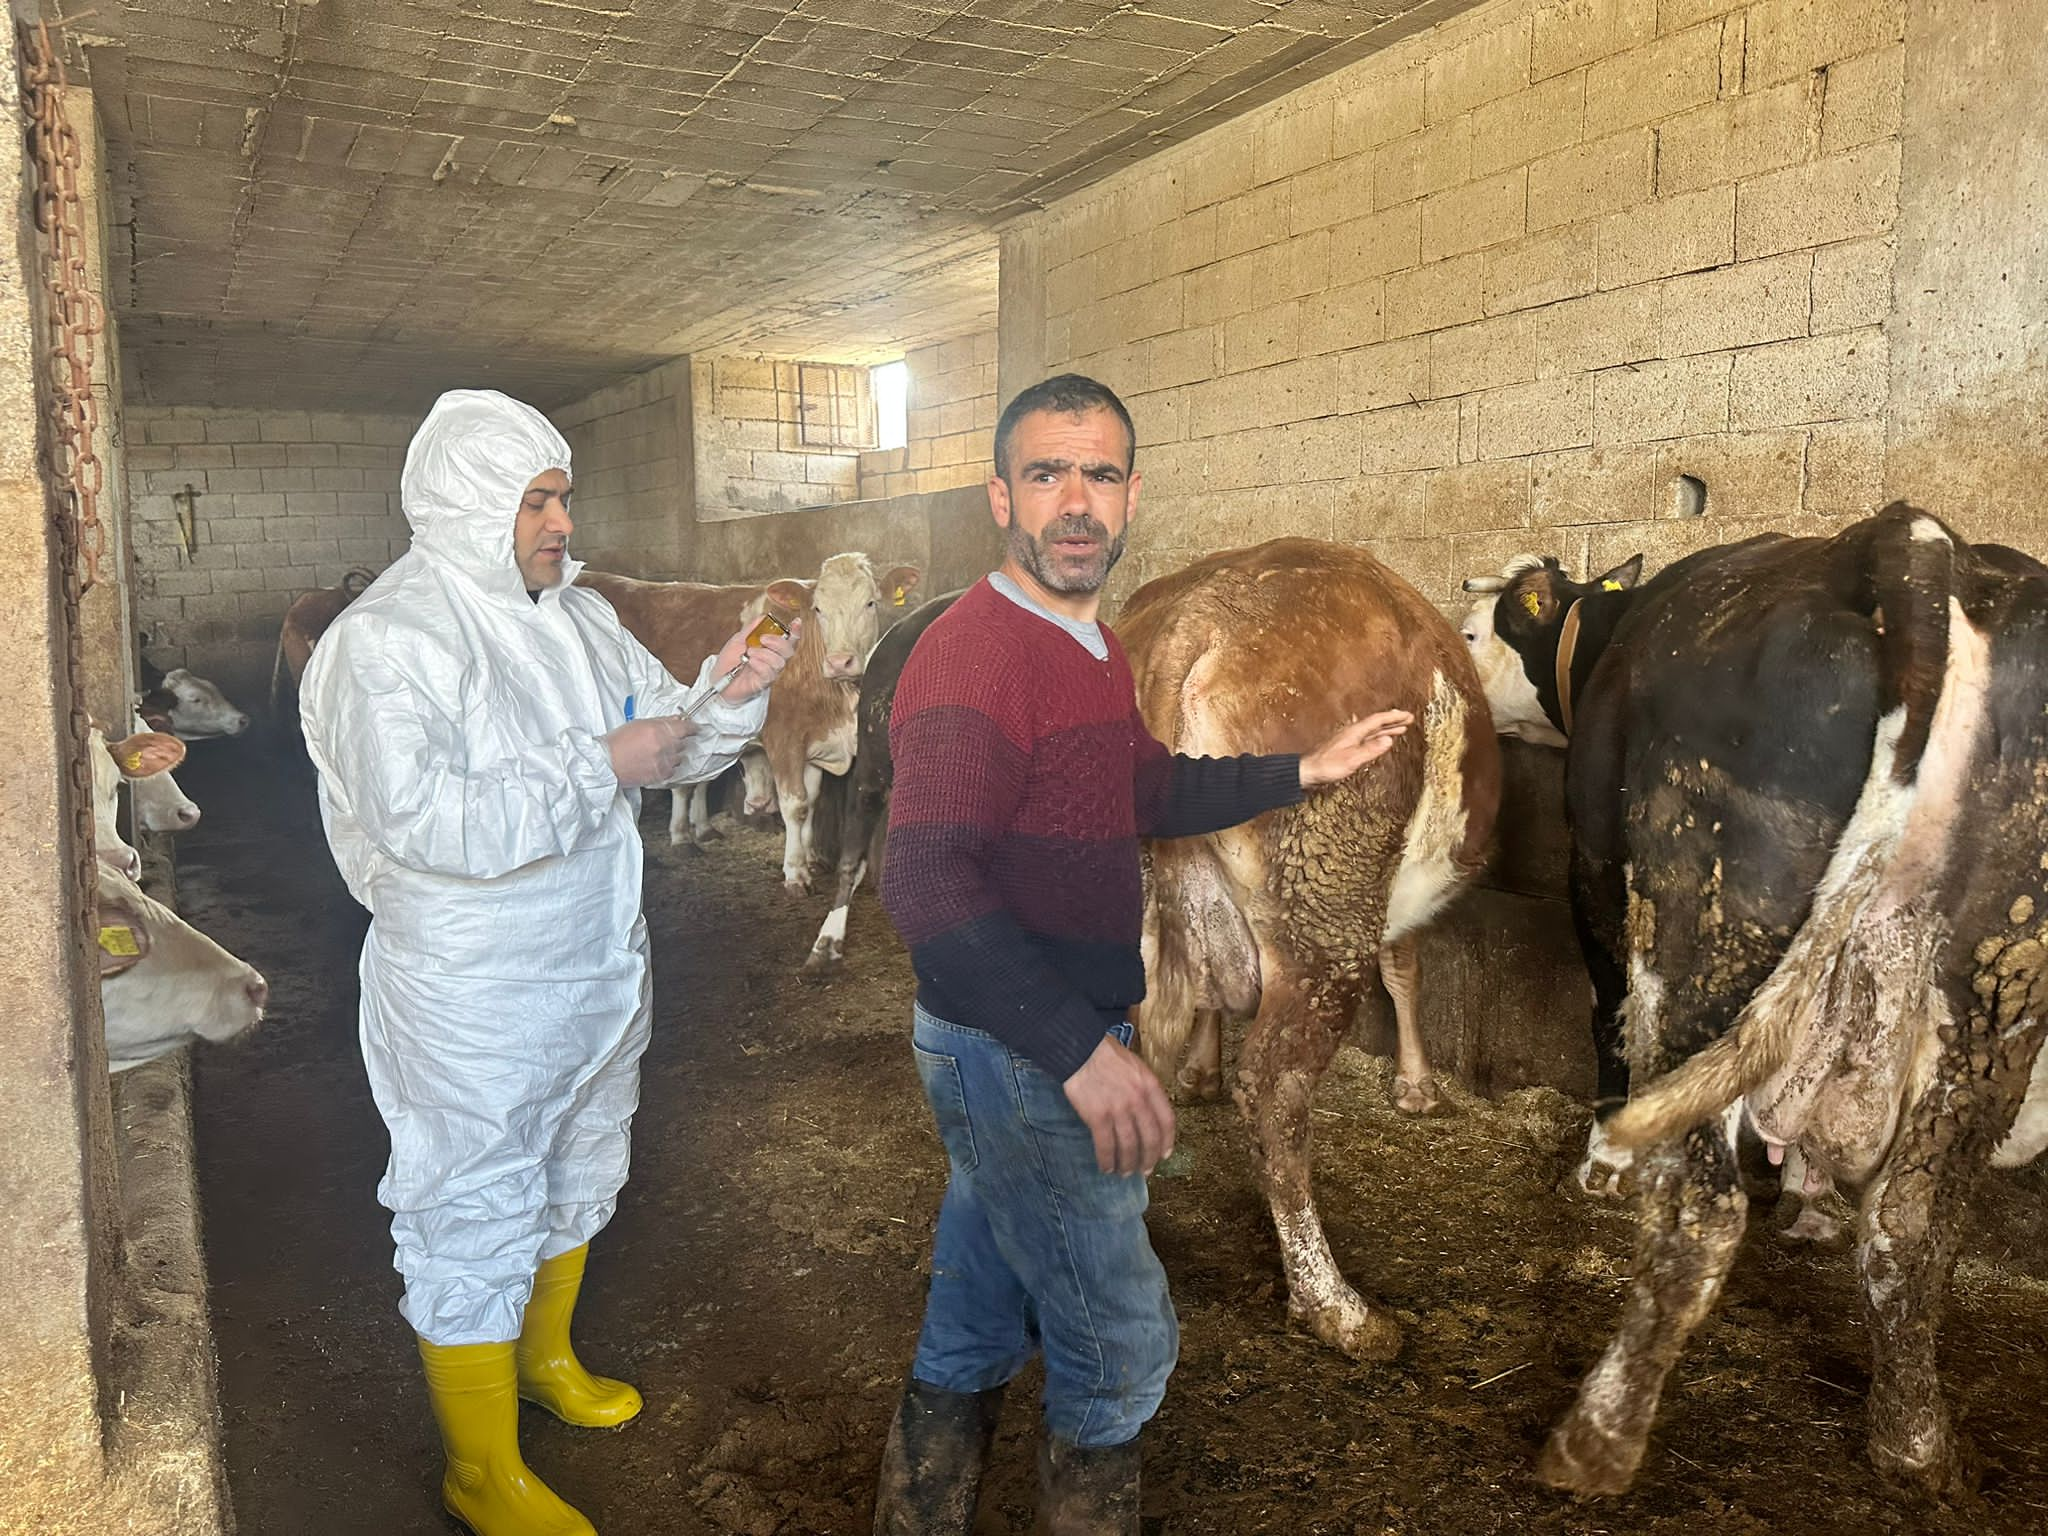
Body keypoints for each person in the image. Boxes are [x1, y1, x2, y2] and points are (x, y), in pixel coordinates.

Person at [873, 375, 1413, 1535]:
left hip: (1017, 1045)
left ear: (1128, 497)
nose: (1076, 503)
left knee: (975, 1307)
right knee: (1118, 1339)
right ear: (998, 497)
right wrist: (1080, 1050)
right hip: (1018, 1048)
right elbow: (922, 882)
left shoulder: (1088, 646)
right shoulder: (977, 656)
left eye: (1100, 476)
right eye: (1046, 474)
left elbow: (1140, 784)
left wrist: (1298, 772)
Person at [300, 389, 796, 1536]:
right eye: (536, 501)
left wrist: (729, 690)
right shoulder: (387, 642)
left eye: (563, 498)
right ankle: (481, 1470)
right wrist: (595, 761)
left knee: (578, 1153)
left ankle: (543, 1358)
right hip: (474, 986)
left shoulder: (571, 617)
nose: (561, 524)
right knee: (472, 1195)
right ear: (467, 505)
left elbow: (658, 741)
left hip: (594, 963)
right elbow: (425, 821)